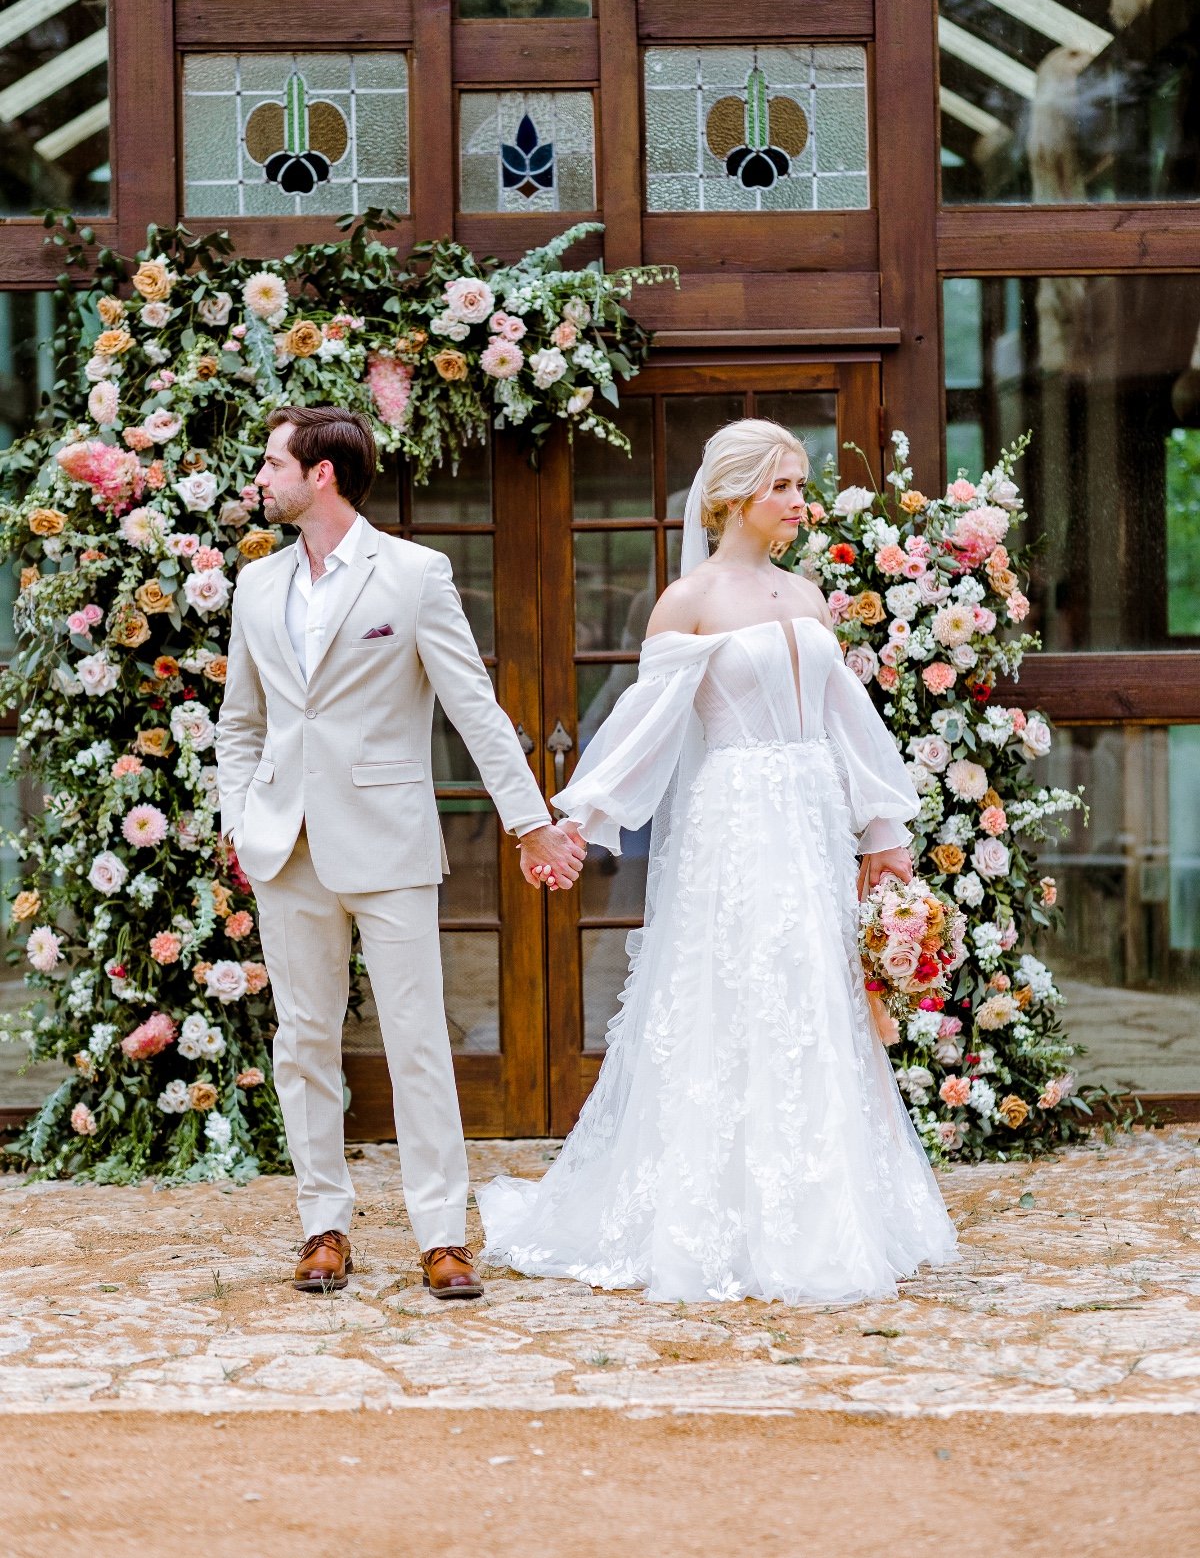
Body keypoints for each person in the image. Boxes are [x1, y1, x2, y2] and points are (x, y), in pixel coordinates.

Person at [478, 419, 959, 1304]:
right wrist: (578, 817)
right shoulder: (687, 601)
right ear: (735, 493)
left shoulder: (807, 597)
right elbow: (642, 726)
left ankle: (827, 1210)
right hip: (735, 823)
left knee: (813, 991)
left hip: (811, 817)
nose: (798, 502)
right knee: (732, 994)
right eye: (783, 485)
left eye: (800, 485)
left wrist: (882, 831)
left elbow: (850, 725)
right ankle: (716, 1215)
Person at [216, 406, 584, 1298]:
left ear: (322, 475)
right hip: (284, 845)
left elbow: (474, 708)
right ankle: (323, 1224)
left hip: (388, 840)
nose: (260, 479)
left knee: (416, 1040)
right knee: (303, 1040)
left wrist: (531, 821)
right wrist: (239, 817)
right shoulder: (257, 587)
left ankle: (441, 1235)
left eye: (273, 464)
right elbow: (240, 722)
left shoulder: (415, 575)